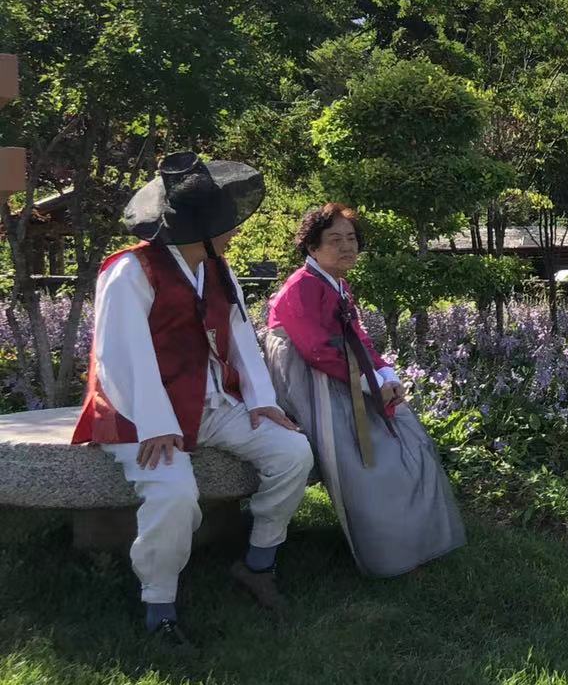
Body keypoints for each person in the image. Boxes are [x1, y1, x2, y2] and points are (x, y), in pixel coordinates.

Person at [72, 153, 314, 651]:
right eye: (224, 224)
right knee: (174, 493)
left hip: (210, 404)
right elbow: (120, 354)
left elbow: (242, 338)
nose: (233, 232)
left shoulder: (217, 268)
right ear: (196, 230)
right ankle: (159, 605)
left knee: (293, 454)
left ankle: (258, 563)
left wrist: (261, 400)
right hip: (137, 413)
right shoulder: (130, 272)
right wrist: (156, 424)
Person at [264, 204, 466, 577]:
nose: (347, 247)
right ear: (312, 248)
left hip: (342, 372)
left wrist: (386, 376)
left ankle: (415, 540)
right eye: (335, 240)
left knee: (411, 439)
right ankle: (391, 554)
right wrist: (369, 384)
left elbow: (357, 337)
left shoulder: (338, 283)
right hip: (312, 380)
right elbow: (315, 349)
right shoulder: (301, 287)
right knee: (368, 458)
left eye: (352, 239)